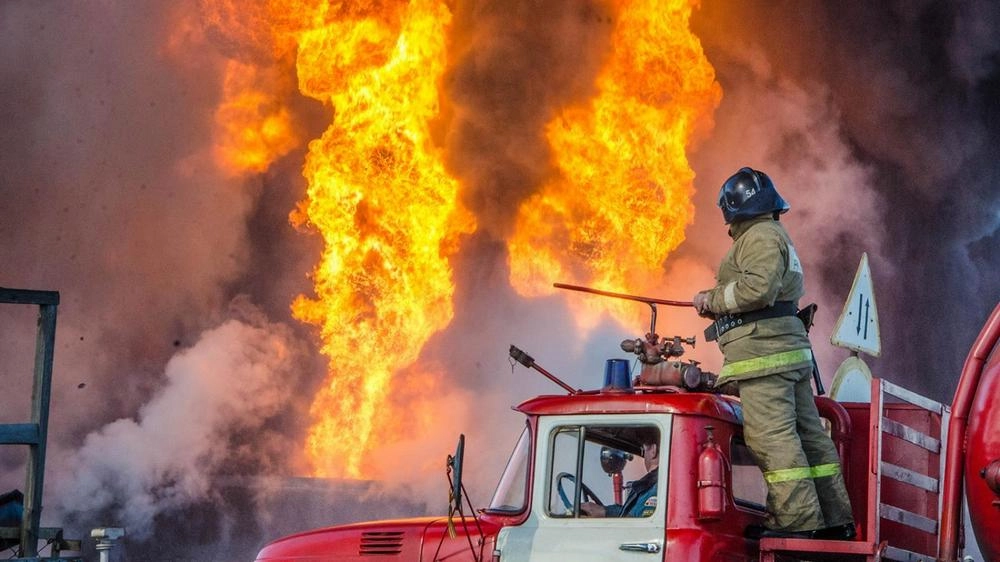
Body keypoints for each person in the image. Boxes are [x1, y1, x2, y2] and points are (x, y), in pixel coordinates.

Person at [692, 167, 855, 540]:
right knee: (808, 436)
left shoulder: (760, 236)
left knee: (772, 439)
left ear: (733, 207)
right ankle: (832, 520)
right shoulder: (772, 233)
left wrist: (710, 299)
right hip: (784, 354)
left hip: (765, 358)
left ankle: (798, 523)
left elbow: (757, 290)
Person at [580, 430, 658, 518]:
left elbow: (638, 524)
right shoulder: (655, 485)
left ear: (653, 450)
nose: (644, 457)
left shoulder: (655, 488)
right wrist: (605, 511)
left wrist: (606, 512)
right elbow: (632, 514)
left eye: (644, 451)